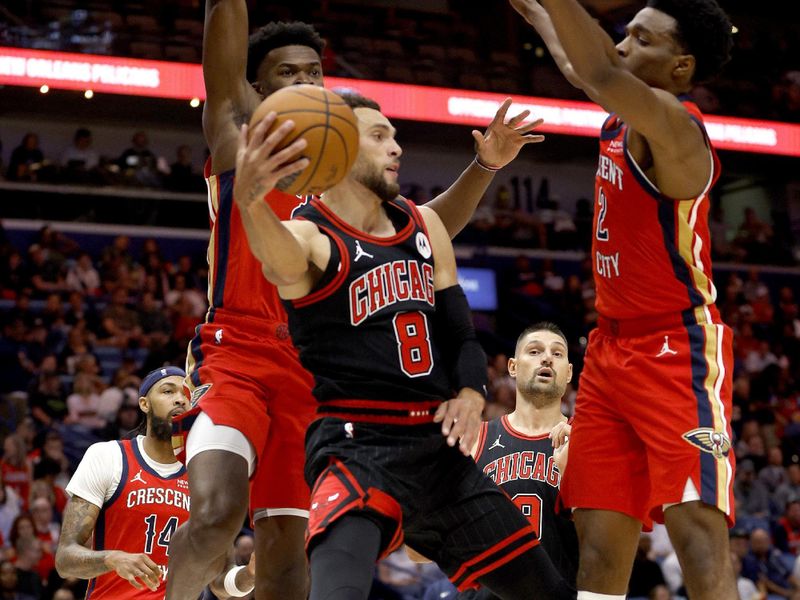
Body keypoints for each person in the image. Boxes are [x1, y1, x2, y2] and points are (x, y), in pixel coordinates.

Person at [167, 6, 544, 600]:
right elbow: (222, 58)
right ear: (258, 89)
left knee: (289, 564)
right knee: (215, 517)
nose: (305, 85)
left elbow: (428, 229)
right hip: (237, 353)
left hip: (317, 377)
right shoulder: (239, 135)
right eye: (287, 74)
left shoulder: (349, 177)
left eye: (314, 72)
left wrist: (484, 166)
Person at [229, 91, 573, 600]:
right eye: (378, 136)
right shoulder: (309, 236)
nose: (396, 148)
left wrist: (472, 393)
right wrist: (252, 199)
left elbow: (460, 333)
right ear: (339, 151)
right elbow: (275, 256)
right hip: (358, 446)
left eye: (394, 136)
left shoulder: (423, 224)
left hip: (439, 452)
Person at [509, 0, 736, 598]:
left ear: (680, 67)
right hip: (610, 349)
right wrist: (537, 13)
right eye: (623, 33)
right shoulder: (617, 115)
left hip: (676, 347)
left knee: (697, 545)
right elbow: (584, 67)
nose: (623, 45)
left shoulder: (677, 126)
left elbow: (601, 71)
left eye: (641, 38)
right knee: (600, 553)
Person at [465, 322, 579, 600]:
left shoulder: (587, 443)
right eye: (535, 350)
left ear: (569, 373)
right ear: (513, 367)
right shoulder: (472, 441)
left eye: (557, 353)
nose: (547, 358)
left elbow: (609, 551)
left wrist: (575, 481)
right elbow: (418, 553)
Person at [54, 367, 190, 598]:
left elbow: (218, 578)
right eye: (168, 391)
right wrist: (112, 559)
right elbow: (65, 559)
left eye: (187, 394)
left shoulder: (203, 473)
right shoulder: (108, 456)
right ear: (144, 404)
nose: (179, 399)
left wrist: (246, 576)